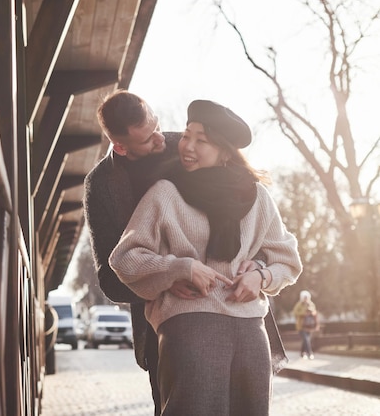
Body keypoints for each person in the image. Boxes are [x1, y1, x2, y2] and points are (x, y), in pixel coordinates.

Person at [109, 99, 303, 416]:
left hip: (251, 332)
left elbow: (289, 259)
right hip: (189, 329)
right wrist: (177, 268)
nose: (188, 146)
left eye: (203, 141)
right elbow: (125, 257)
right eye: (187, 135)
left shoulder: (257, 196)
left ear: (224, 152)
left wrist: (261, 277)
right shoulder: (165, 193)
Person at [83, 90, 264, 415]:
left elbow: (246, 209)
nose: (161, 139)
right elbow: (111, 276)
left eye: (156, 125)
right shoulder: (101, 186)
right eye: (147, 138)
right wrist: (167, 278)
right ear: (121, 146)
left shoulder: (186, 146)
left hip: (235, 311)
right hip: (166, 320)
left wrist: (260, 269)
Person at [293, 290, 318, 359]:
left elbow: (314, 312)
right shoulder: (299, 304)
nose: (305, 299)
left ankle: (302, 353)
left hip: (309, 325)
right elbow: (295, 312)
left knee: (306, 340)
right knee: (306, 339)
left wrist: (311, 312)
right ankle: (310, 353)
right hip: (301, 326)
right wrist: (303, 313)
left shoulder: (311, 304)